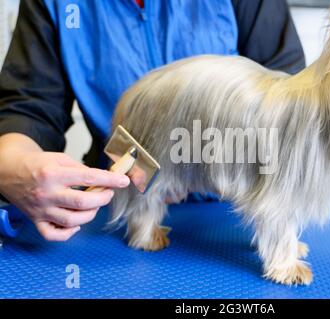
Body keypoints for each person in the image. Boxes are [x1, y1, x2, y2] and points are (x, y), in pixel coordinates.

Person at [0, 0, 305, 242]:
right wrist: (12, 166)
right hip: (120, 200)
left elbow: (286, 98)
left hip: (233, 212)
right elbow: (28, 108)